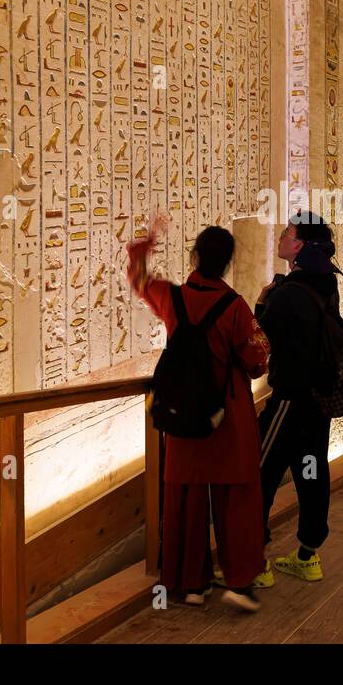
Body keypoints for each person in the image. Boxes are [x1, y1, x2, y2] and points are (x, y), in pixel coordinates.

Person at [128, 220, 270, 612]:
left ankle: (191, 584)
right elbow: (258, 358)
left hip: (184, 414)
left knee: (187, 498)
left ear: (195, 257)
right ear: (227, 264)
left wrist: (143, 248)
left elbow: (139, 280)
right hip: (228, 414)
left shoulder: (174, 299)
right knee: (235, 498)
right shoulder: (236, 306)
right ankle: (240, 581)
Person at [254, 212, 342, 583]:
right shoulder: (326, 283)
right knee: (311, 471)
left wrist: (261, 304)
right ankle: (308, 554)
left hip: (289, 401)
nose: (280, 236)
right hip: (316, 403)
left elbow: (259, 342)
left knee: (257, 473)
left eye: (287, 233)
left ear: (299, 247)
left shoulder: (288, 294)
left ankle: (253, 565)